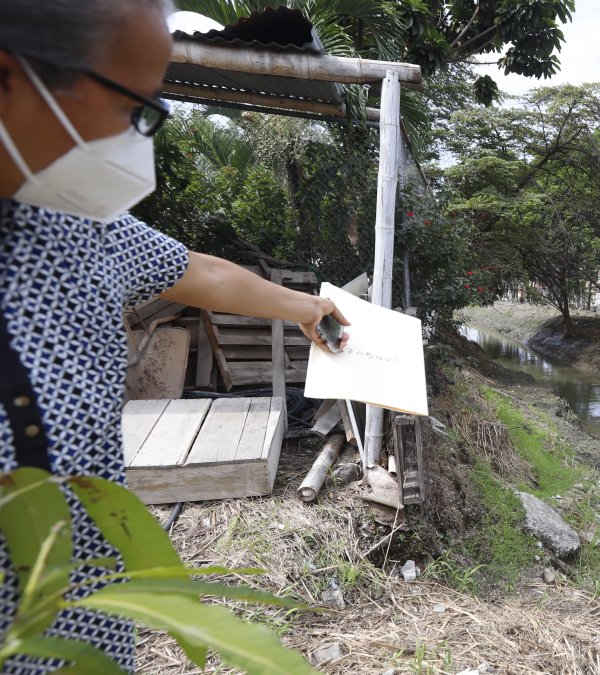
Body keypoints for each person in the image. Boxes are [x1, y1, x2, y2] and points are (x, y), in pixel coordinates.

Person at [0, 1, 349, 672]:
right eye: (133, 107)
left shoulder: (78, 225)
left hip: (91, 626)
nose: (140, 138)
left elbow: (204, 272)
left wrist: (306, 306)